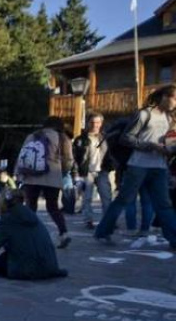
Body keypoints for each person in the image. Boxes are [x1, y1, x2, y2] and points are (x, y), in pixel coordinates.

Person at [95, 84, 176, 248]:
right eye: (175, 98)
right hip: (138, 165)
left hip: (159, 166)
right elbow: (126, 138)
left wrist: (169, 149)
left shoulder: (170, 118)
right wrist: (150, 145)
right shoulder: (144, 114)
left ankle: (174, 239)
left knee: (164, 204)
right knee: (124, 199)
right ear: (165, 97)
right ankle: (103, 232)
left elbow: (165, 141)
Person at [0, 189, 67, 280]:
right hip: (49, 266)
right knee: (8, 253)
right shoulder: (33, 217)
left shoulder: (9, 219)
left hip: (26, 270)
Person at [17, 116, 73, 249]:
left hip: (32, 176)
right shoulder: (62, 137)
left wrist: (19, 174)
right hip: (52, 175)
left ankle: (29, 235)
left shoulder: (32, 135)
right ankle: (63, 232)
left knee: (31, 205)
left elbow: (22, 155)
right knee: (52, 206)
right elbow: (68, 160)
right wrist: (63, 171)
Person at [73, 113, 111, 229]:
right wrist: (76, 172)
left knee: (106, 196)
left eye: (98, 122)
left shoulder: (105, 138)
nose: (95, 125)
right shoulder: (81, 139)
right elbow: (75, 156)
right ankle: (88, 220)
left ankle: (109, 220)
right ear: (88, 123)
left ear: (101, 123)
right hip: (87, 171)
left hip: (103, 170)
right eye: (93, 122)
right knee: (87, 198)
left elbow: (110, 153)